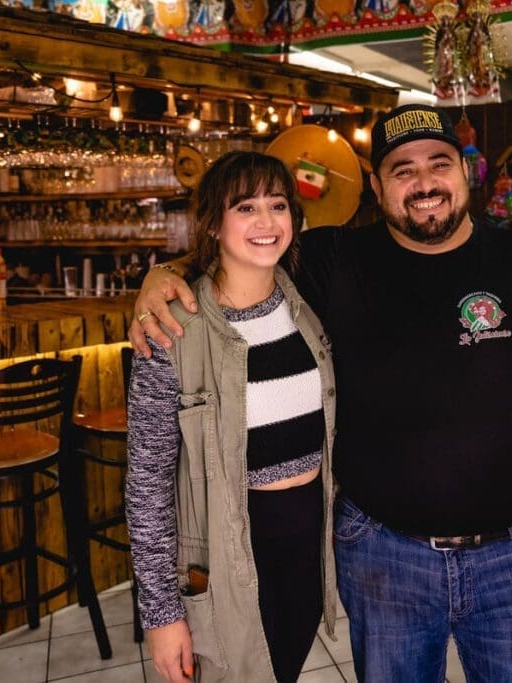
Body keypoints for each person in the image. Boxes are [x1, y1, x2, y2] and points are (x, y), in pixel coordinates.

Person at [130, 104, 512, 682]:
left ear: (466, 172)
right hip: (384, 556)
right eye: (402, 170)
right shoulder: (333, 260)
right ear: (376, 185)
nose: (424, 183)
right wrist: (160, 276)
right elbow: (243, 253)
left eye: (438, 164)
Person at [125, 151, 338, 683]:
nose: (267, 222)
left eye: (278, 205)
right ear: (214, 224)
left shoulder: (308, 305)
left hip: (306, 545)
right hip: (226, 556)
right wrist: (161, 615)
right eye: (246, 207)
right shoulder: (172, 331)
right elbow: (147, 482)